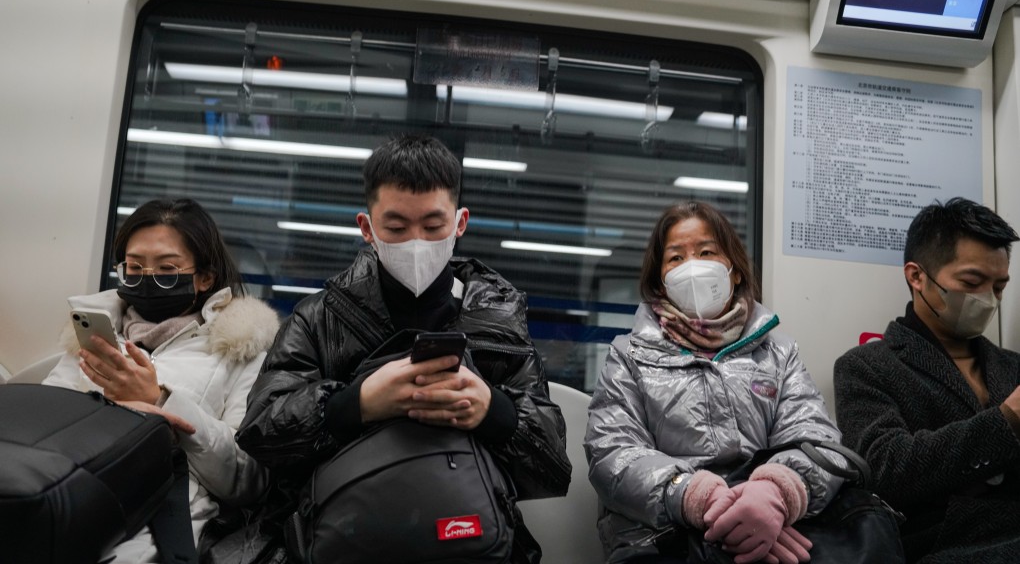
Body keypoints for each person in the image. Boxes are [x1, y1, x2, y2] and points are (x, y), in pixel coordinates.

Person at [235, 134, 571, 562]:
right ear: (367, 227)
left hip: (471, 537)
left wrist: (491, 410)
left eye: (433, 227)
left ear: (460, 223)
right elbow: (262, 434)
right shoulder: (319, 318)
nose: (416, 242)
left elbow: (553, 465)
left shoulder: (498, 321)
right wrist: (357, 403)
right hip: (345, 535)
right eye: (396, 227)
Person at [585, 201, 843, 564]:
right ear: (661, 280)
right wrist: (691, 493)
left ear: (734, 271)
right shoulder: (628, 355)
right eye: (676, 258)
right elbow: (611, 452)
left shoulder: (778, 353)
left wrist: (776, 493)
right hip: (661, 538)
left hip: (770, 530)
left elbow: (818, 439)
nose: (692, 267)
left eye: (706, 252)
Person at [42, 197, 279, 562]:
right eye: (134, 268)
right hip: (66, 494)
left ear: (204, 278)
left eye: (167, 270)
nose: (146, 280)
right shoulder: (93, 336)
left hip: (159, 513)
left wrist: (161, 402)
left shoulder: (241, 349)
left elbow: (248, 478)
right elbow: (39, 427)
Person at [834, 198, 1020, 563]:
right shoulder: (867, 367)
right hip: (945, 546)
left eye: (998, 287)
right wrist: (1005, 422)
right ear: (917, 276)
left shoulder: (1011, 366)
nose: (988, 300)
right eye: (972, 282)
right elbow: (885, 470)